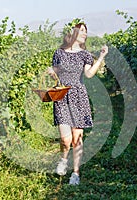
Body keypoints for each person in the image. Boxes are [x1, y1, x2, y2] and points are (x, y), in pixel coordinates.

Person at [47, 18, 108, 185]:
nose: (85, 34)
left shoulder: (85, 55)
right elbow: (56, 74)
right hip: (62, 96)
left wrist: (101, 57)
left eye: (86, 31)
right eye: (81, 30)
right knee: (65, 139)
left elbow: (88, 75)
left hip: (79, 97)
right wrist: (52, 72)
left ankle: (75, 173)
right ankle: (63, 159)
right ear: (72, 33)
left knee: (77, 138)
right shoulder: (59, 53)